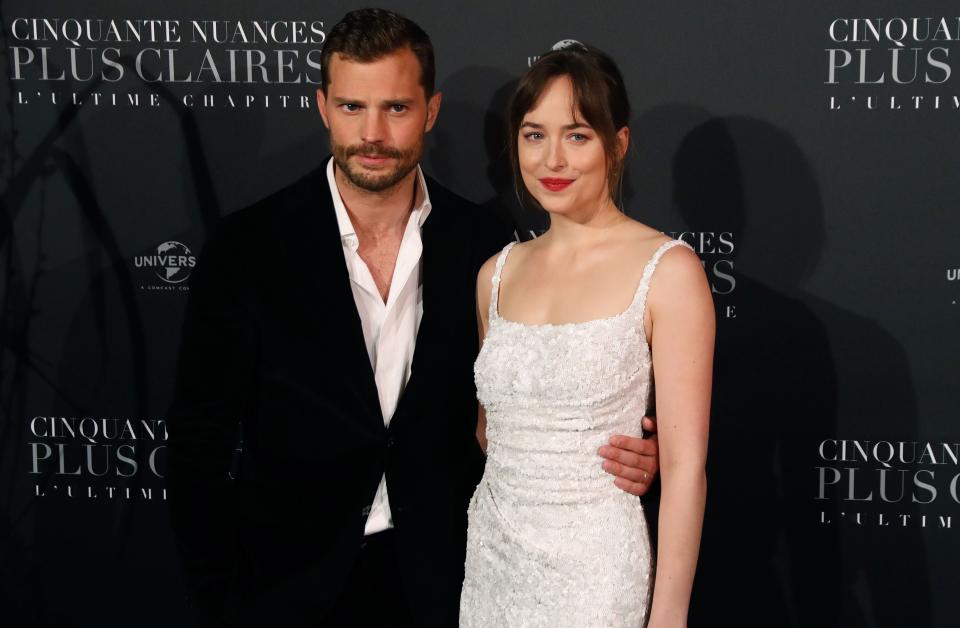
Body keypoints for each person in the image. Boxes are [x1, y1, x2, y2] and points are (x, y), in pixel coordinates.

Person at [166, 9, 662, 628]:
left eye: (396, 108)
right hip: (287, 586)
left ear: (430, 110)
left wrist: (625, 446)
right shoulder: (248, 248)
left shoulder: (484, 244)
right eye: (352, 107)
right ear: (323, 107)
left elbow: (519, 406)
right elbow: (197, 444)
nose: (372, 133)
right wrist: (219, 601)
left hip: (448, 581)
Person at [459, 45, 714, 627]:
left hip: (596, 573)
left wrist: (668, 619)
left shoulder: (668, 271)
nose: (552, 158)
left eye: (577, 135)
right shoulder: (495, 275)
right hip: (494, 564)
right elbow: (489, 429)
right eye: (533, 135)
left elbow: (684, 468)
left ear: (618, 143)